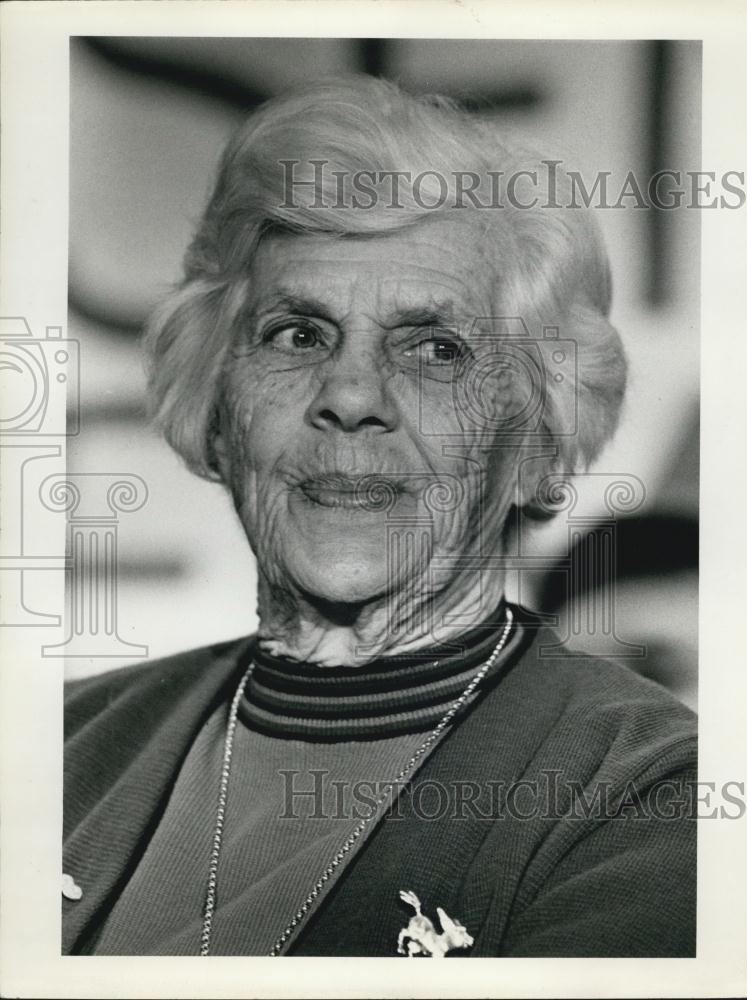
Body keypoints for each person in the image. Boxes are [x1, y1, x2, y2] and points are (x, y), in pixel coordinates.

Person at [62, 75, 696, 957]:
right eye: (299, 334)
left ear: (539, 452)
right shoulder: (61, 741)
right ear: (213, 408)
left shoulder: (646, 792)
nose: (351, 395)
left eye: (435, 349)